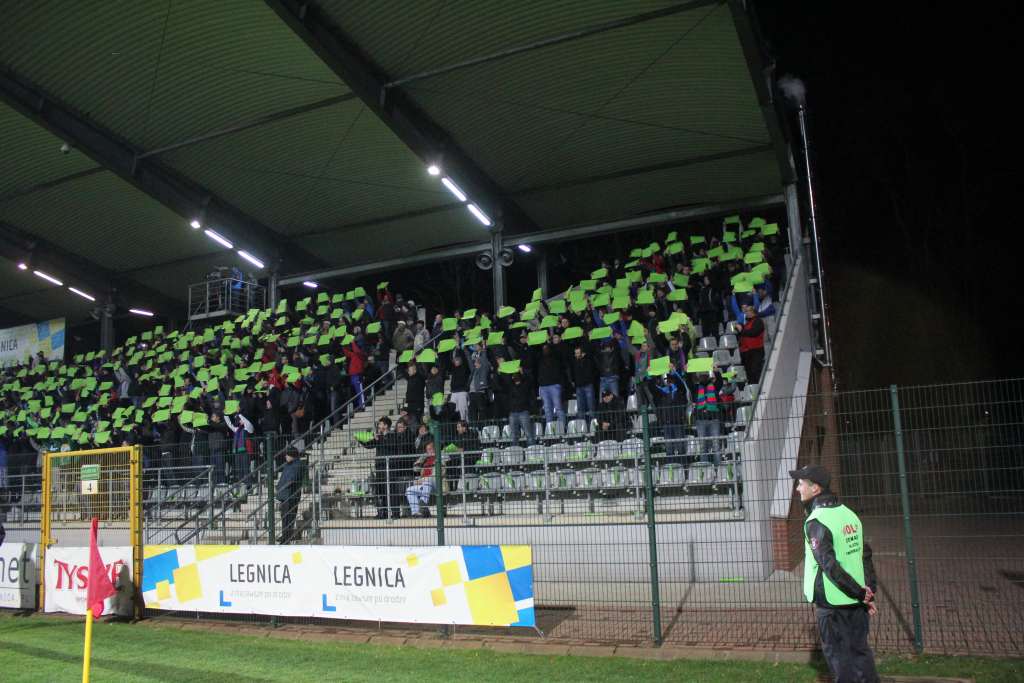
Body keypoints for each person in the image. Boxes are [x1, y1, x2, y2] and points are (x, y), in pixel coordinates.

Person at [792, 465, 879, 683]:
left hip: (832, 605)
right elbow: (865, 556)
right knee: (861, 653)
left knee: (841, 661)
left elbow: (828, 565)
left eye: (801, 484)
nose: (797, 489)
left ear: (815, 489)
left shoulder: (816, 521)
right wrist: (868, 593)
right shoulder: (849, 514)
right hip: (857, 602)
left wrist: (861, 593)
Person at [276, 447, 303, 543]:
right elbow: (283, 478)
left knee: (290, 516)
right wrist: (278, 487)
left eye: (287, 455)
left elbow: (292, 479)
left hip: (291, 495)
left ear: (292, 455)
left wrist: (282, 487)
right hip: (284, 495)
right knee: (284, 517)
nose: (285, 456)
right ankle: (284, 535)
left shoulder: (298, 465)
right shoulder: (287, 465)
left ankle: (287, 536)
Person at [405, 440, 437, 518]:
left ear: (435, 449)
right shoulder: (425, 459)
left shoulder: (440, 457)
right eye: (427, 450)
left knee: (428, 480)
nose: (428, 451)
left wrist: (424, 479)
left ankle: (423, 503)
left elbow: (440, 473)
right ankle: (416, 512)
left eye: (430, 449)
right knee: (409, 490)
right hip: (425, 485)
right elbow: (415, 469)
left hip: (437, 483)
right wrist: (420, 460)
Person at [737, 303, 766, 382]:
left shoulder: (758, 321)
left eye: (747, 311)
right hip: (747, 352)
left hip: (756, 351)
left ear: (752, 312)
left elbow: (754, 332)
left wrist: (741, 330)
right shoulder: (747, 323)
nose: (745, 313)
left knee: (755, 373)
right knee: (749, 374)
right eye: (745, 311)